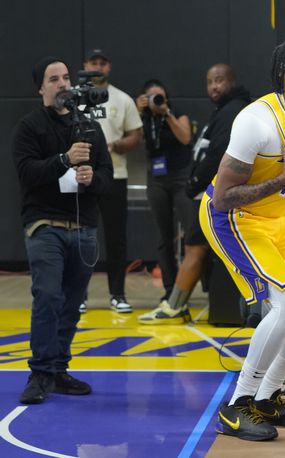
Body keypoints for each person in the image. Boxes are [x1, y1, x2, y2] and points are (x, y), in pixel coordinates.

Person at [201, 39, 285, 441]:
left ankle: (268, 396)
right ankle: (237, 404)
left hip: (278, 218)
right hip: (234, 218)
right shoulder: (256, 121)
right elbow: (224, 197)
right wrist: (283, 178)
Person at [13, 56, 113, 404]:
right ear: (41, 87)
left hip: (83, 226)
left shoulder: (89, 127)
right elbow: (27, 173)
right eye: (53, 79)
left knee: (72, 303)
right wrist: (64, 161)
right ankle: (40, 372)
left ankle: (57, 369)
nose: (62, 84)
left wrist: (91, 178)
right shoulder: (29, 126)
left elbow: (106, 177)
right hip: (45, 225)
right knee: (49, 296)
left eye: (66, 77)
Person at [138, 64, 251, 324]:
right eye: (210, 82)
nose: (214, 87)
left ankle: (175, 306)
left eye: (220, 80)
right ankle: (177, 304)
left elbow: (219, 154)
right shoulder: (224, 111)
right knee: (195, 246)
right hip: (211, 192)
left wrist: (195, 182)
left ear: (232, 81)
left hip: (218, 194)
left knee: (194, 246)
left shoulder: (233, 111)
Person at [81, 48, 143, 314]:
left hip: (114, 176)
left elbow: (136, 135)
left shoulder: (122, 99)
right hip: (82, 177)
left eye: (102, 63)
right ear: (85, 66)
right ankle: (79, 295)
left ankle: (117, 294)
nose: (97, 67)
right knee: (83, 237)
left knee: (115, 238)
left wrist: (115, 145)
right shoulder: (75, 99)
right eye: (93, 62)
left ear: (109, 67)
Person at [136, 79, 195, 302]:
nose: (156, 102)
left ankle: (190, 287)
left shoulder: (176, 112)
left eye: (160, 97)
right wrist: (138, 112)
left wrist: (166, 113)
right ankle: (170, 290)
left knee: (191, 232)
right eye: (151, 98)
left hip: (180, 177)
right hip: (157, 179)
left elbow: (185, 137)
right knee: (164, 236)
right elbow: (134, 138)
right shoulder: (144, 117)